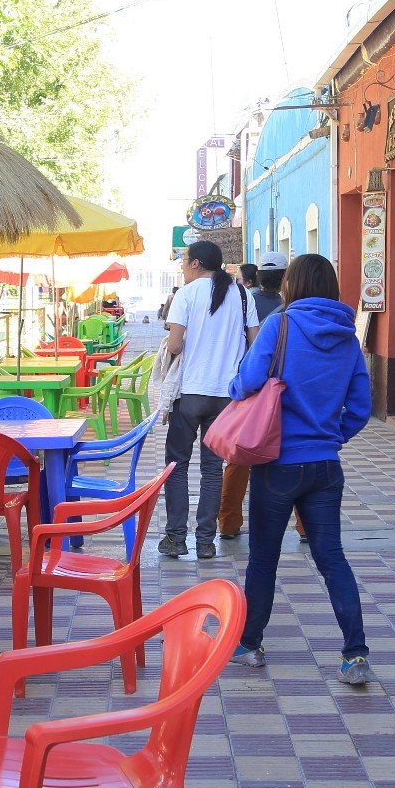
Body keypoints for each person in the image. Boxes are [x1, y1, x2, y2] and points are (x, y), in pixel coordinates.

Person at [225, 253, 374, 686]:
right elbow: (360, 407)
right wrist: (331, 438)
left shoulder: (281, 325)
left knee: (264, 558)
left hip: (277, 464)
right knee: (332, 558)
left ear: (291, 285)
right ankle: (355, 655)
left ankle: (250, 645)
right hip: (325, 465)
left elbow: (249, 380)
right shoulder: (347, 337)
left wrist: (234, 387)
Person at [159, 240, 259, 559]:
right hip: (226, 397)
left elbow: (174, 345)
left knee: (177, 465)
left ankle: (176, 537)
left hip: (190, 393)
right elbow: (255, 344)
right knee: (213, 469)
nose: (182, 267)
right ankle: (205, 541)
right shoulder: (242, 294)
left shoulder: (186, 294)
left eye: (184, 261)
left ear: (196, 264)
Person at [218, 251, 291, 538]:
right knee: (289, 452)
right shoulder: (289, 308)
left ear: (258, 276)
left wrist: (236, 387)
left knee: (239, 455)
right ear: (285, 277)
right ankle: (304, 526)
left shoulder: (244, 300)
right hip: (281, 387)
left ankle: (228, 522)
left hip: (249, 385)